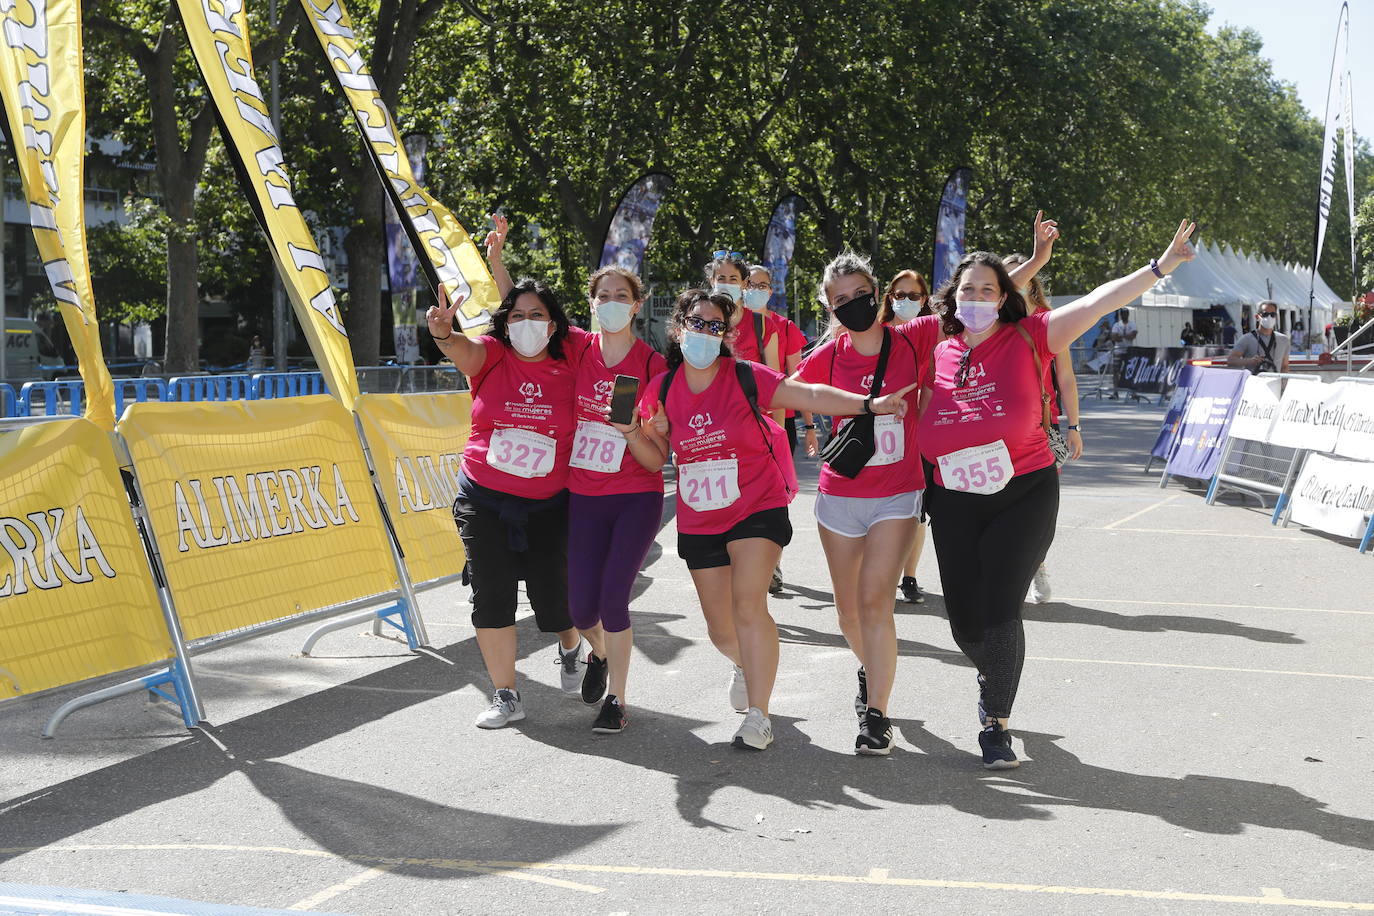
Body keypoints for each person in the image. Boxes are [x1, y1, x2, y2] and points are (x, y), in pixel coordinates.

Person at [919, 220, 1196, 769]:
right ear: (953, 298)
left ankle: (995, 722)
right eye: (968, 290)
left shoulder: (1033, 334)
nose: (977, 299)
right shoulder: (936, 345)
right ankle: (995, 670)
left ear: (1006, 299)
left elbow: (1098, 300)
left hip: (1022, 493)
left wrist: (1160, 267)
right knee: (964, 623)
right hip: (952, 494)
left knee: (1000, 611)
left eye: (989, 291)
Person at [639, 288, 915, 751]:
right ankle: (746, 663)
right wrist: (637, 430)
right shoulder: (661, 389)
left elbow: (806, 392)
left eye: (715, 326)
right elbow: (654, 459)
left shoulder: (745, 375)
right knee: (721, 629)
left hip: (757, 504)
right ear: (679, 326)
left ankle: (758, 715)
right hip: (700, 515)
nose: (705, 332)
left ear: (725, 334)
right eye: (697, 323)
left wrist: (869, 404)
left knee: (749, 606)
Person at [793, 253, 941, 754]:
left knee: (876, 602)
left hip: (897, 495)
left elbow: (976, 296)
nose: (853, 304)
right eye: (841, 300)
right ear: (829, 308)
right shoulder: (827, 357)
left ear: (877, 292)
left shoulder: (913, 336)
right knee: (848, 614)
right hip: (839, 496)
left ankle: (877, 714)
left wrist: (1029, 263)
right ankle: (872, 669)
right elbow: (780, 392)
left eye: (860, 293)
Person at [427, 278, 590, 729]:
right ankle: (506, 695)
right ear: (504, 323)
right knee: (491, 595)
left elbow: (620, 370)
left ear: (555, 324)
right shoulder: (492, 354)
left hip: (549, 503)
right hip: (484, 497)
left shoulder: (573, 358)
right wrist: (443, 333)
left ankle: (571, 645)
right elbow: (463, 350)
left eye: (537, 315)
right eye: (516, 316)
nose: (526, 324)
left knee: (554, 601)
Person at [563, 266, 669, 733]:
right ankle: (599, 653)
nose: (611, 303)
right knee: (581, 609)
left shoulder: (651, 366)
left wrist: (630, 432)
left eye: (620, 296)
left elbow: (655, 460)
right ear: (591, 303)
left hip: (634, 497)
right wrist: (498, 258)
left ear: (636, 305)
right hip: (583, 495)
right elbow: (519, 307)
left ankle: (617, 700)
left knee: (612, 601)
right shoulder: (576, 348)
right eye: (602, 295)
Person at [1003, 252, 1083, 606]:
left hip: (1041, 426)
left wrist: (1074, 425)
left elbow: (1065, 377)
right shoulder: (990, 322)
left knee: (1035, 507)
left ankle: (1037, 565)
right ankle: (1006, 573)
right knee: (999, 502)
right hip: (996, 426)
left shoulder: (1049, 321)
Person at [881, 269, 933, 605]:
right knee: (883, 512)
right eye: (899, 295)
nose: (906, 301)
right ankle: (881, 575)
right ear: (889, 297)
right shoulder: (876, 334)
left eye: (913, 296)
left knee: (917, 513)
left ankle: (909, 576)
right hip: (881, 436)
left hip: (920, 435)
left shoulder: (934, 334)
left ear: (925, 299)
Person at [1227, 300, 1290, 375]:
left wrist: (1283, 385)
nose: (1269, 317)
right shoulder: (1247, 338)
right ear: (1257, 317)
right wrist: (1250, 361)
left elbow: (1285, 366)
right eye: (1265, 314)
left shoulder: (1283, 340)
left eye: (1272, 314)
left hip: (1275, 383)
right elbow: (1231, 360)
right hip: (1254, 382)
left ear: (1276, 317)